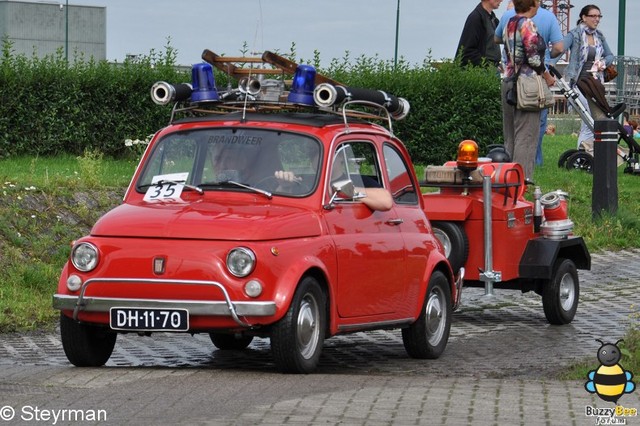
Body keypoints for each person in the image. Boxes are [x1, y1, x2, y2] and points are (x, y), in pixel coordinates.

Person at [496, 0, 563, 167]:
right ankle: (522, 178)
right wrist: (546, 76)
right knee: (527, 134)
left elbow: (497, 40)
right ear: (531, 4)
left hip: (509, 79)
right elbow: (533, 58)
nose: (539, 6)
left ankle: (508, 175)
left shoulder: (509, 22)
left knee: (510, 134)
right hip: (528, 84)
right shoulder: (527, 25)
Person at [561, 4, 614, 149]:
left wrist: (602, 62)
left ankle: (585, 152)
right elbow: (560, 49)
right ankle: (582, 153)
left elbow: (610, 55)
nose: (597, 19)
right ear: (584, 17)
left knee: (593, 119)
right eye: (593, 16)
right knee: (589, 119)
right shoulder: (575, 34)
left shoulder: (599, 36)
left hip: (594, 83)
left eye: (599, 16)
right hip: (578, 82)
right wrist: (547, 65)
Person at [455, 0, 503, 67]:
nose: (501, 0)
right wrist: (487, 65)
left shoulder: (494, 20)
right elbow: (467, 51)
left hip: (491, 69)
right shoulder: (475, 18)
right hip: (480, 71)